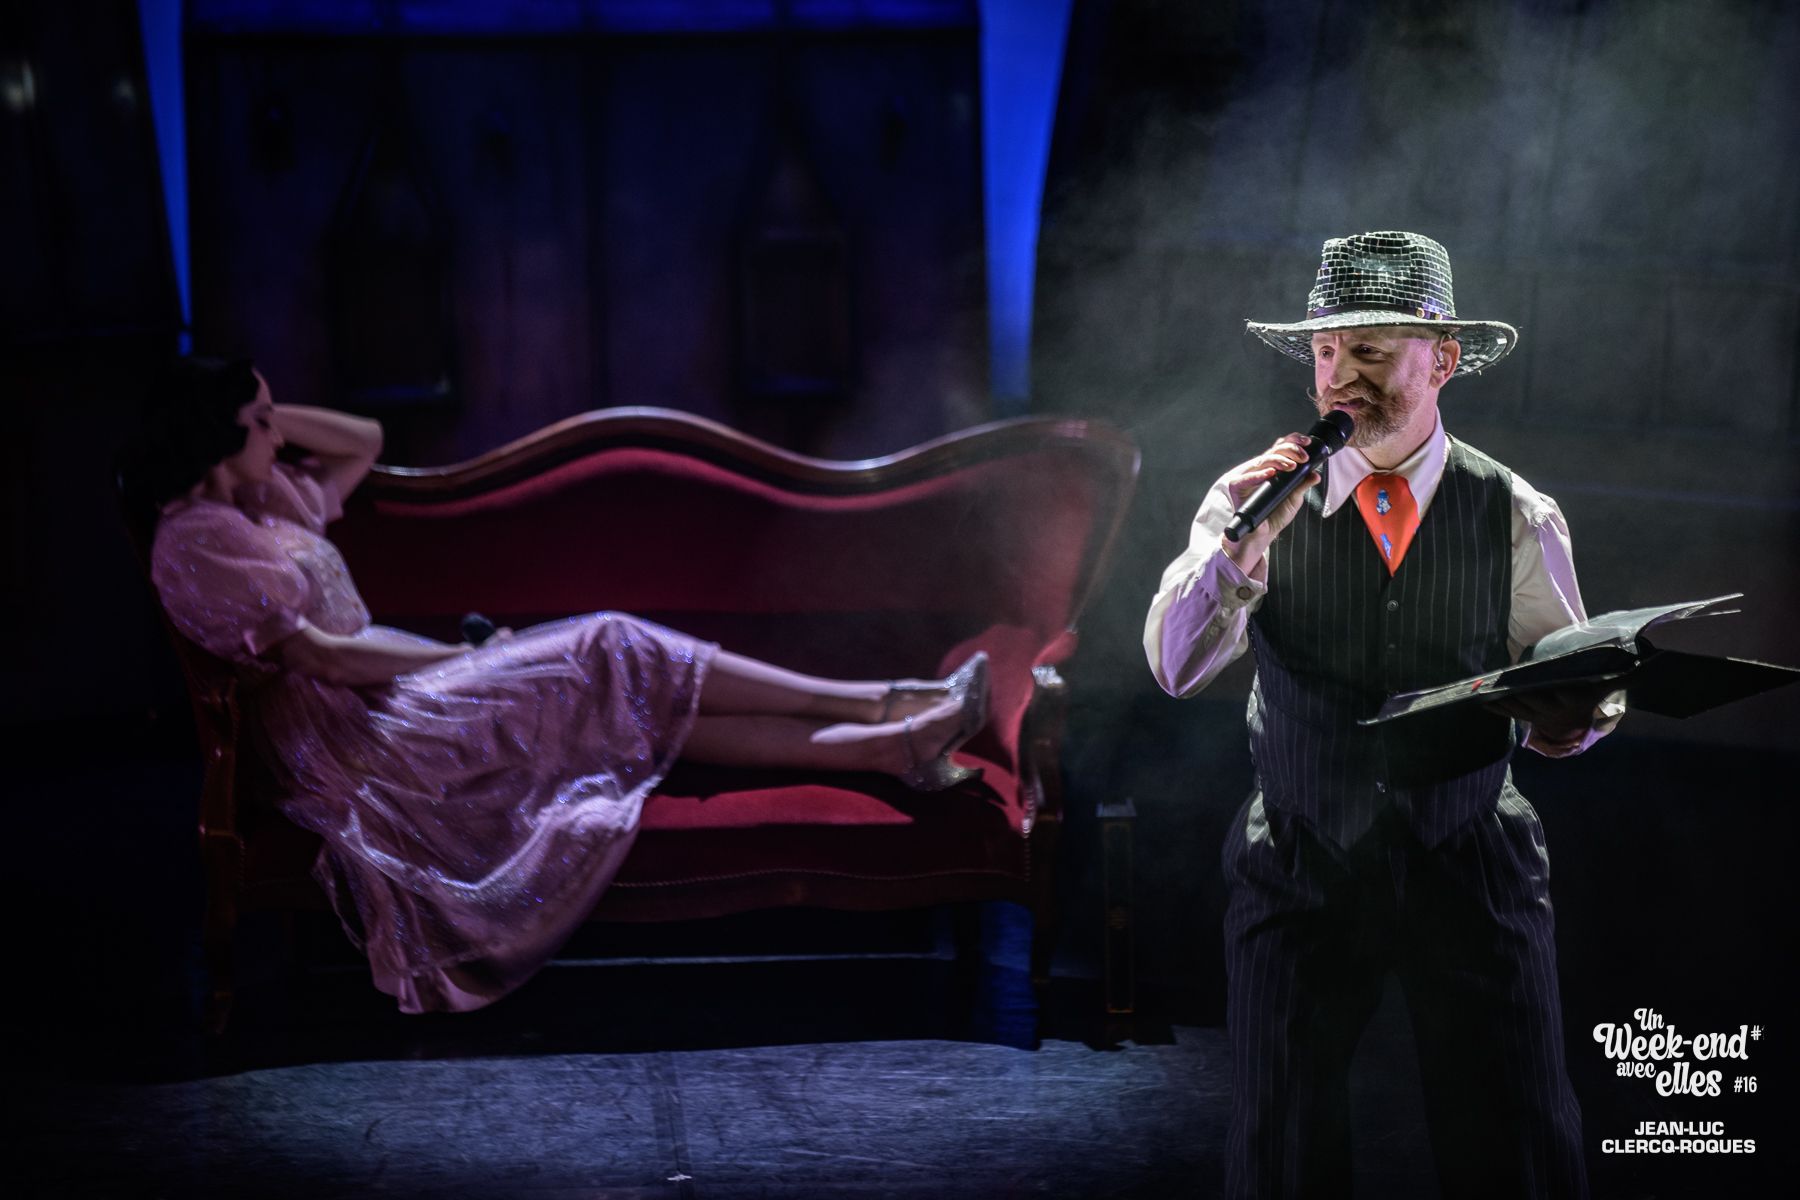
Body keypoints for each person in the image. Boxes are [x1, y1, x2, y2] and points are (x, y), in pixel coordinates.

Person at [127, 356, 989, 1015]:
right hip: (363, 743)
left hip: (390, 698)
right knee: (613, 642)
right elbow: (328, 661)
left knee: (641, 698)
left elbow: (366, 441)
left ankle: (890, 741)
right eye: (261, 424)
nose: (279, 438)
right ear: (213, 438)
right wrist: (460, 660)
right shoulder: (198, 537)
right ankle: (886, 698)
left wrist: (259, 407)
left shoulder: (263, 502)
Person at [1145, 232, 1621, 1199]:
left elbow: (1570, 682)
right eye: (1325, 351)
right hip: (1304, 855)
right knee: (1281, 1148)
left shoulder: (1513, 511)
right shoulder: (1251, 499)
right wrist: (1242, 549)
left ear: (1441, 359)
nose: (1338, 376)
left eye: (1367, 349)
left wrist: (1576, 720)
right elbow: (1176, 667)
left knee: (1517, 1143)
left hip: (1470, 853)